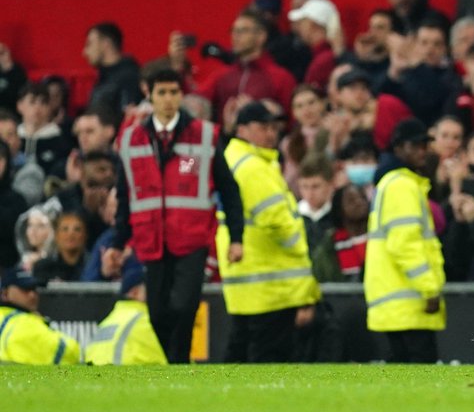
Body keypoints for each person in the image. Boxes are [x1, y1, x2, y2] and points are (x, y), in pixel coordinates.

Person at [107, 68, 245, 363]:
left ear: (182, 95)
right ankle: (175, 363)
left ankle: (178, 362)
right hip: (151, 238)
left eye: (173, 92)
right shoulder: (132, 140)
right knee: (157, 312)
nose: (168, 99)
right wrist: (118, 243)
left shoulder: (203, 136)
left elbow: (229, 190)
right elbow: (126, 197)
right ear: (149, 95)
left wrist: (236, 237)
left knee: (184, 306)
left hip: (192, 239)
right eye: (162, 93)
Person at [218, 102, 320, 363]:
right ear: (242, 130)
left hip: (248, 279)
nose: (271, 133)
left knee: (240, 354)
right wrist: (300, 248)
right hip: (271, 282)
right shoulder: (253, 167)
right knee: (270, 358)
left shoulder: (233, 159)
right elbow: (276, 220)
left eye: (274, 128)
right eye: (263, 127)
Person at [365, 119, 446, 363]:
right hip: (409, 301)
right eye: (415, 145)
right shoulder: (402, 185)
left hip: (397, 302)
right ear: (399, 148)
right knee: (422, 373)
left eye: (424, 145)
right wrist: (428, 288)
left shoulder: (393, 182)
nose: (422, 151)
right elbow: (404, 245)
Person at [84, 265, 168, 366]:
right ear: (135, 293)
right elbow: (172, 360)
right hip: (127, 373)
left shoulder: (108, 321)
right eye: (152, 289)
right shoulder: (147, 320)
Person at [0, 264, 80, 364]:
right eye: (25, 289)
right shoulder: (25, 323)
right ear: (5, 293)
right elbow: (70, 353)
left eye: (34, 289)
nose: (32, 295)